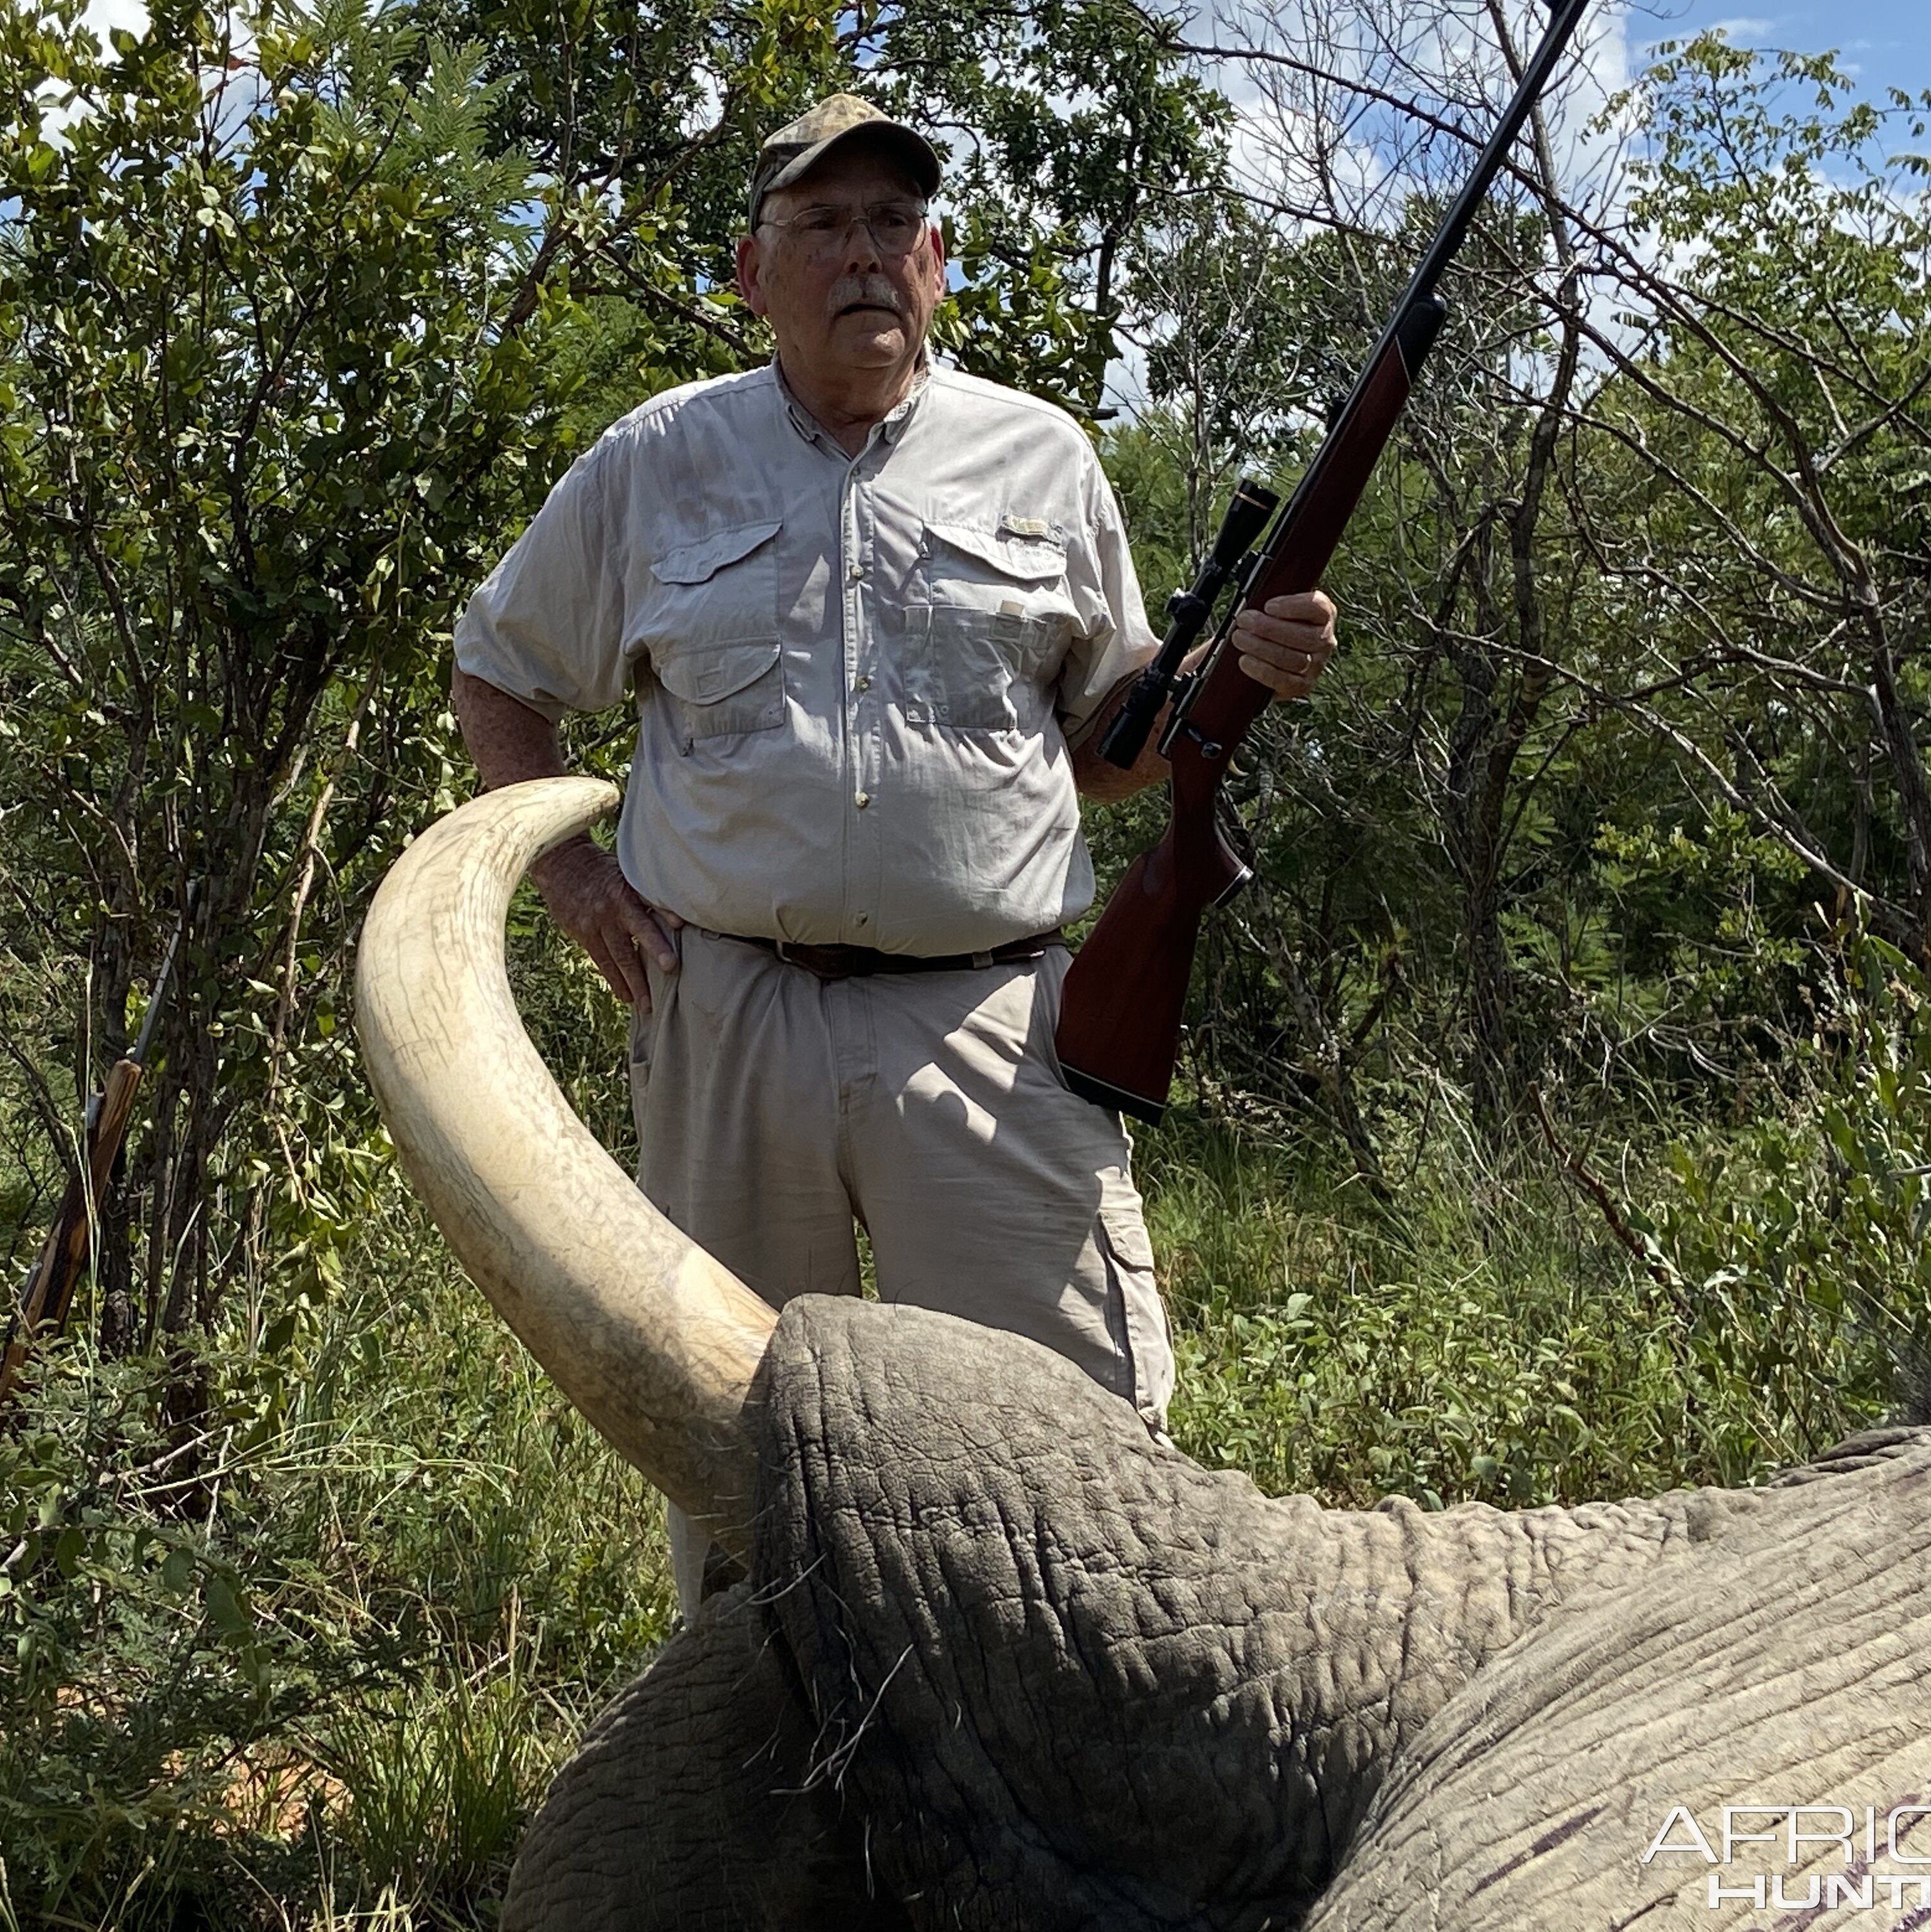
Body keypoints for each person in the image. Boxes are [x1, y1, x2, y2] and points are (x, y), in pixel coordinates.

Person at [452, 93, 1336, 1610]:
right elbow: (498, 674)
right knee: (740, 1466)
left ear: (938, 262)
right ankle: (763, 1812)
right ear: (751, 270)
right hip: (726, 1015)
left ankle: (1083, 1780)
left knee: (1071, 1468)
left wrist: (1241, 672)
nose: (865, 255)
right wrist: (576, 880)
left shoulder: (1041, 458)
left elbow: (1109, 750)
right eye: (824, 224)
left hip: (993, 1023)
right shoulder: (657, 461)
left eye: (894, 224)